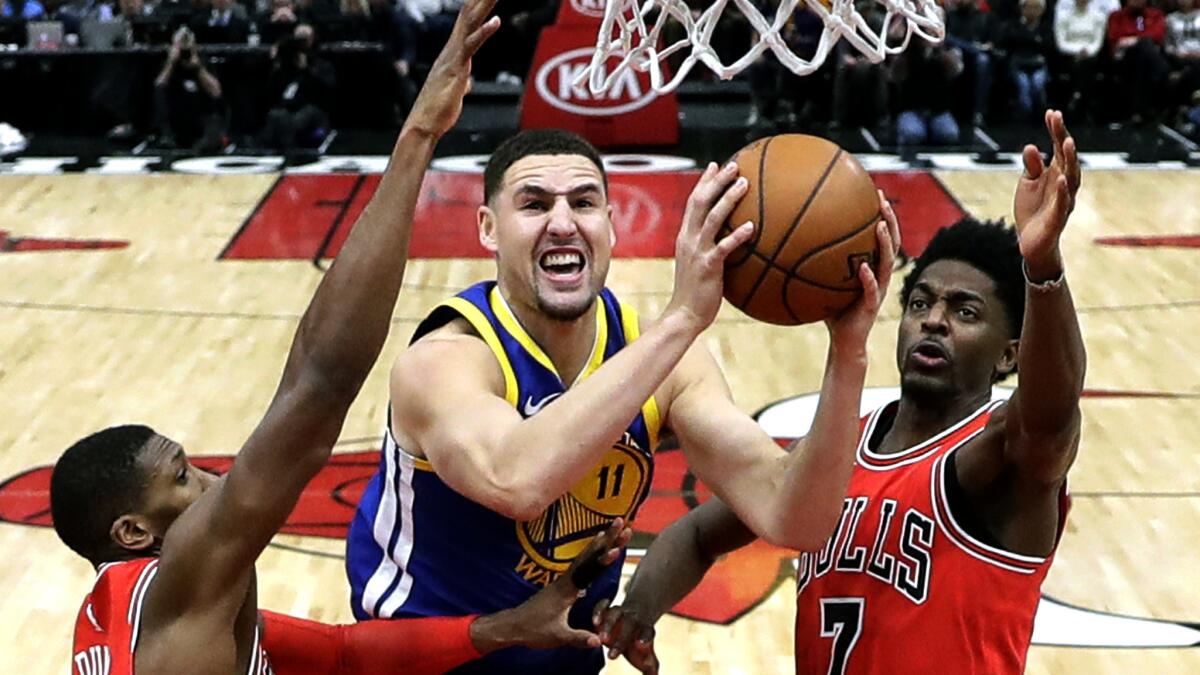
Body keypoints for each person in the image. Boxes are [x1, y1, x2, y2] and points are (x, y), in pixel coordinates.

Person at [53, 2, 631, 674]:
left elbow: (341, 651)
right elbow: (319, 380)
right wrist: (418, 134)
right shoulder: (179, 588)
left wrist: (502, 629)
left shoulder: (127, 610)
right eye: (182, 476)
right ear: (134, 533)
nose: (215, 478)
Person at [345, 80, 901, 675]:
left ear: (611, 224)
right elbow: (516, 480)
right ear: (487, 228)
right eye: (534, 205)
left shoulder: (664, 359)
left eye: (583, 203)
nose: (562, 223)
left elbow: (797, 520)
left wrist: (849, 353)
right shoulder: (446, 359)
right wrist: (683, 318)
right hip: (423, 664)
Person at [597, 110, 1085, 675]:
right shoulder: (840, 449)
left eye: (965, 311)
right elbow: (701, 531)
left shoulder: (997, 457)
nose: (933, 321)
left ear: (1009, 354)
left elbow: (1050, 420)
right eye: (921, 303)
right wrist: (639, 608)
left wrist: (1043, 265)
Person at [152, 26, 228, 152]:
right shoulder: (167, 64)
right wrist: (171, 63)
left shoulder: (202, 62)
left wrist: (198, 68)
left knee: (212, 131)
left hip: (201, 116)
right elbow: (159, 86)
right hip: (176, 118)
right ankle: (168, 139)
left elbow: (216, 91)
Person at [1107, 0, 1168, 124]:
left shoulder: (1155, 15)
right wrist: (1140, 40)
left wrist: (1134, 40)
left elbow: (1158, 34)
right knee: (1144, 47)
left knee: (1143, 54)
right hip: (1123, 58)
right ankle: (1163, 73)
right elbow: (1115, 37)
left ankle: (1138, 109)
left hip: (1146, 60)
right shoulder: (1117, 16)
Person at [997, 0, 1052, 121]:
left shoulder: (1045, 28)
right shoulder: (1012, 25)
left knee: (1037, 84)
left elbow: (1048, 46)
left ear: (1042, 10)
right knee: (1024, 85)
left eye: (1036, 8)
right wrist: (1033, 40)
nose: (1032, 11)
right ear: (1022, 9)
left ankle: (1038, 114)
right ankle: (1024, 115)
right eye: (1029, 7)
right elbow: (1007, 42)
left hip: (1039, 64)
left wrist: (1025, 39)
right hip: (1018, 65)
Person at [1052, 0, 1108, 119]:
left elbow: (1097, 42)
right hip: (1068, 55)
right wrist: (1078, 51)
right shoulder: (1064, 16)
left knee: (1085, 65)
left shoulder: (1098, 16)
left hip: (1091, 55)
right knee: (1078, 65)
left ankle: (1077, 97)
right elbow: (1061, 43)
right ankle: (1080, 99)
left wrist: (1087, 51)